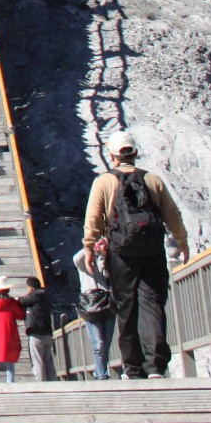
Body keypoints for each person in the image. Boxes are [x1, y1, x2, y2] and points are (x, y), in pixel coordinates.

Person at [83, 132, 190, 379]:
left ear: (112, 155)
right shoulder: (153, 180)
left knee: (126, 307)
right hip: (152, 251)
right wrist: (182, 242)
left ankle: (133, 368)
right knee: (153, 305)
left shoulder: (104, 182)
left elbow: (93, 220)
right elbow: (172, 216)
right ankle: (156, 366)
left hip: (120, 253)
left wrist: (89, 248)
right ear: (135, 153)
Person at [75, 239, 116, 380]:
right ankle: (102, 373)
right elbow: (77, 258)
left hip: (107, 304)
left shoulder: (106, 260)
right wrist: (91, 246)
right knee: (99, 343)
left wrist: (105, 254)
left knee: (107, 342)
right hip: (91, 304)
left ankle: (100, 371)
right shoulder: (84, 264)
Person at [0, 278, 26, 384]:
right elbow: (20, 315)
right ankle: (10, 382)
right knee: (10, 359)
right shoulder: (11, 302)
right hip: (9, 332)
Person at [17, 275, 55, 381]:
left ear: (30, 288)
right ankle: (53, 383)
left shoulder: (35, 294)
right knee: (48, 362)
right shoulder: (46, 294)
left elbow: (21, 301)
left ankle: (42, 385)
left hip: (36, 332)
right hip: (48, 332)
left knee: (38, 361)